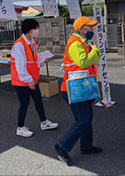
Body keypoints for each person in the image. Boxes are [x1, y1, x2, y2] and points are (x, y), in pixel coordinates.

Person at [55, 16, 101, 166]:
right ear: (81, 29)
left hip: (82, 88)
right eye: (89, 27)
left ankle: (86, 146)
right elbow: (83, 62)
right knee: (83, 120)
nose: (92, 30)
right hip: (73, 89)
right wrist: (95, 52)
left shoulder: (82, 42)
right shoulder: (75, 44)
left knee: (86, 119)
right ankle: (62, 147)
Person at [10, 19, 58, 137]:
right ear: (30, 31)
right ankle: (20, 127)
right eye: (36, 28)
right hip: (22, 81)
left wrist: (42, 61)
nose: (38, 31)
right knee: (24, 103)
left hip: (31, 78)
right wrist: (28, 80)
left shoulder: (32, 42)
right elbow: (21, 66)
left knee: (38, 101)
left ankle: (44, 122)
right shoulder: (19, 45)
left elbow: (32, 61)